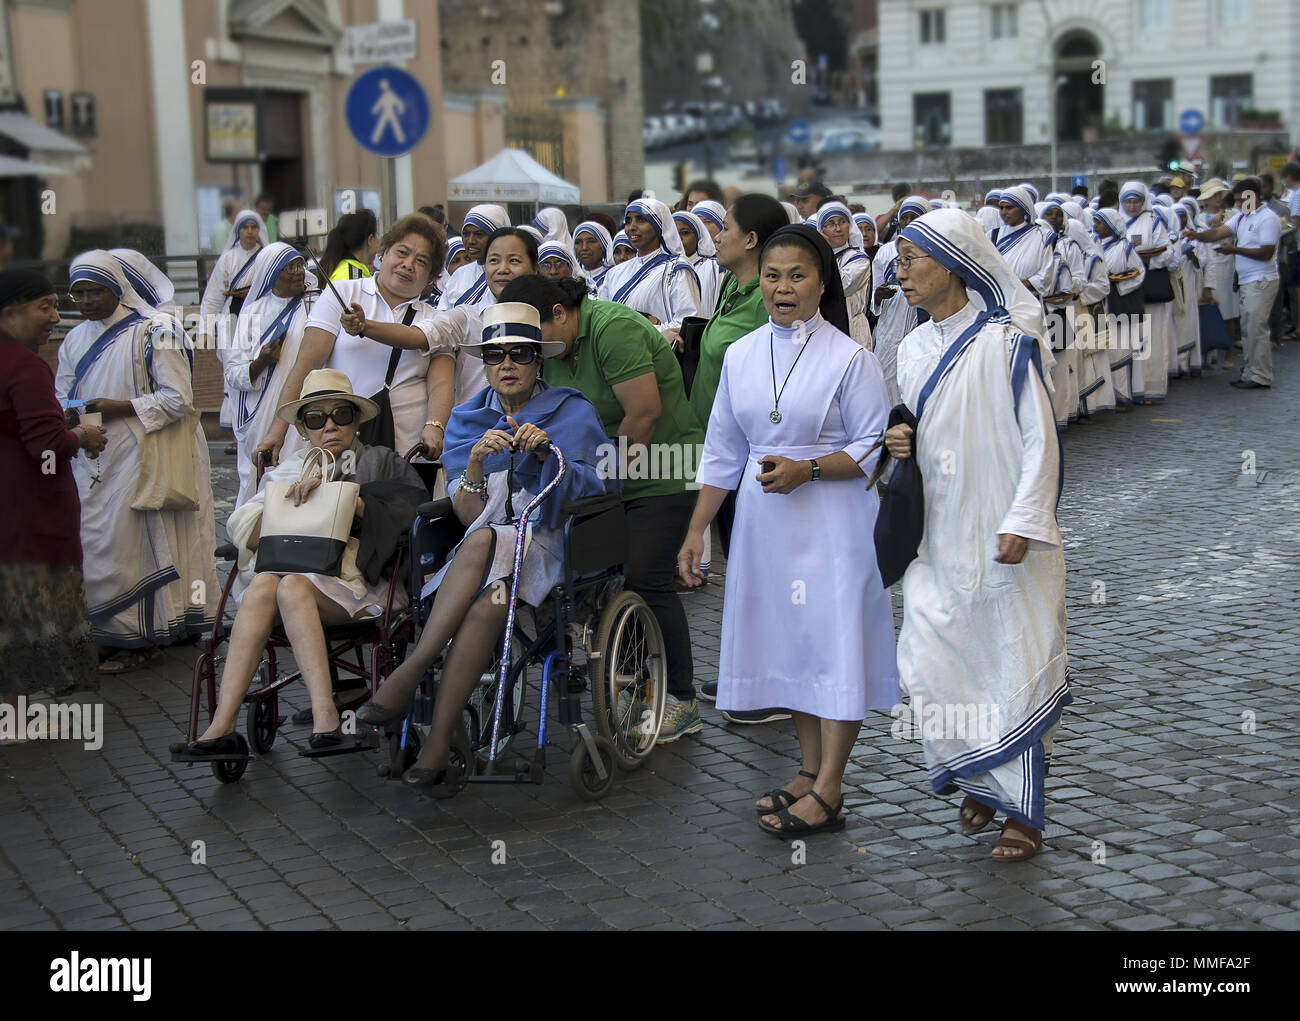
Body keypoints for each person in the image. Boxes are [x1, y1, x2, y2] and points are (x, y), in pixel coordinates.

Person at [677, 223, 896, 835]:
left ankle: (831, 787)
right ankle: (806, 768)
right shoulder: (743, 354)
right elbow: (722, 451)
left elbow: (875, 447)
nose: (782, 287)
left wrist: (810, 468)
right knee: (792, 643)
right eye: (771, 275)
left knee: (833, 643)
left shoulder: (851, 358)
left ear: (821, 282)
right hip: (764, 521)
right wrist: (697, 531)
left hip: (834, 520)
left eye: (797, 275)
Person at [357, 304, 610, 791]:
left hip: (554, 544)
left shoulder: (572, 409)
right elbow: (471, 516)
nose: (506, 364)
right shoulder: (468, 418)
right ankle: (435, 749)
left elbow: (593, 491)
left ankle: (410, 674)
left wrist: (545, 455)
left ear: (539, 362)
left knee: (489, 542)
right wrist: (473, 468)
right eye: (495, 355)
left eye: (519, 354)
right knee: (491, 593)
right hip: (490, 558)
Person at [886, 208, 1069, 862]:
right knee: (932, 661)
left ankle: (1021, 809)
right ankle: (981, 772)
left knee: (1007, 657)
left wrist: (1024, 518)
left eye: (912, 258)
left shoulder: (1008, 341)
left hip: (1000, 528)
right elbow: (914, 425)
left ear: (956, 261)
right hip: (938, 535)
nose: (898, 272)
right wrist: (897, 439)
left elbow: (1039, 437)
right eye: (897, 259)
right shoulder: (910, 348)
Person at [176, 370, 427, 755]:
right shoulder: (288, 470)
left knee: (290, 585)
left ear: (357, 420)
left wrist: (349, 500)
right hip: (287, 589)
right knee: (266, 584)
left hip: (360, 585)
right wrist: (286, 506)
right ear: (303, 428)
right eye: (315, 418)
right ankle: (222, 724)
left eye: (341, 414)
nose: (329, 426)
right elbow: (243, 530)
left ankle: (326, 715)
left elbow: (409, 519)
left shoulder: (381, 462)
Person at [501, 274, 706, 744]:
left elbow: (644, 413)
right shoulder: (553, 349)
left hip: (662, 469)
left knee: (644, 574)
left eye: (536, 337)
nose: (532, 349)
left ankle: (681, 699)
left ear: (559, 313)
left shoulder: (612, 328)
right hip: (601, 476)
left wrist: (602, 486)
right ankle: (636, 681)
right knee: (599, 579)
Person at [55, 251, 219, 668]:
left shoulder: (156, 331)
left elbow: (178, 398)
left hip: (144, 453)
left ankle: (139, 640)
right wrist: (77, 415)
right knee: (97, 541)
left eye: (97, 290)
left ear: (119, 288)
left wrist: (120, 406)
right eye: (79, 293)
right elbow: (62, 395)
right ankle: (109, 632)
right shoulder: (75, 339)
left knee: (137, 544)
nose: (88, 301)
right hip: (92, 455)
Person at [681, 195, 788, 666]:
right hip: (720, 447)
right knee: (741, 562)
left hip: (753, 453)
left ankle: (777, 678)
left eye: (724, 227)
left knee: (764, 567)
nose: (716, 236)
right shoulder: (730, 286)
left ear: (750, 240)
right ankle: (757, 673)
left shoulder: (769, 304)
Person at [255, 214, 453, 465]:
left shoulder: (436, 319)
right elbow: (305, 365)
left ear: (432, 276)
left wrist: (434, 426)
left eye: (421, 261)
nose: (408, 264)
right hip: (342, 449)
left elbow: (441, 382)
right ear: (383, 253)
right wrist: (277, 432)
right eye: (402, 252)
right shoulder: (343, 294)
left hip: (410, 453)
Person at [1, 270, 107, 723]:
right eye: (43, 307)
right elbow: (45, 444)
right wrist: (82, 433)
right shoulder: (25, 367)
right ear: (8, 315)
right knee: (23, 606)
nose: (53, 317)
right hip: (27, 507)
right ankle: (11, 713)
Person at [226, 243, 315, 507]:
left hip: (303, 405)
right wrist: (262, 361)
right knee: (261, 481)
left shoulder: (314, 304)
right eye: (290, 267)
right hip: (263, 414)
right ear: (272, 273)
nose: (299, 272)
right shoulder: (252, 314)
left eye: (300, 265)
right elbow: (233, 372)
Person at [1189, 177, 1282, 389]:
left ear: (1255, 197)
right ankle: (1251, 371)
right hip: (1248, 281)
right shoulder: (1241, 217)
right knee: (1248, 328)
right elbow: (1217, 233)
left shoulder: (1268, 219)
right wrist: (1196, 235)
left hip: (1262, 280)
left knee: (1256, 328)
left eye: (1243, 200)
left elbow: (1267, 252)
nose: (1239, 204)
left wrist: (1235, 250)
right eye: (1238, 200)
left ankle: (1261, 375)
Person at [598, 197, 701, 334]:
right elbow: (600, 318)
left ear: (658, 225)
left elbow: (687, 323)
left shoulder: (677, 270)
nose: (632, 227)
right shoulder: (614, 273)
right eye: (628, 221)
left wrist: (637, 328)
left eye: (641, 220)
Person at [1117, 181, 1176, 403]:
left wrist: (1144, 259)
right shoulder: (1117, 221)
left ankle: (1152, 388)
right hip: (1126, 288)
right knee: (1130, 339)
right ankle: (1131, 387)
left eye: (1136, 201)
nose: (1132, 206)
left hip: (1149, 285)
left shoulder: (1153, 222)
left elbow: (1168, 254)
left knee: (1152, 339)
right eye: (1128, 201)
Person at [870, 195, 930, 405]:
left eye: (915, 217)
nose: (908, 222)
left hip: (920, 315)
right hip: (891, 321)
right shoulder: (886, 251)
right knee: (885, 377)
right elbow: (874, 294)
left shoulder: (933, 249)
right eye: (905, 217)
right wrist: (878, 297)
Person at [1092, 207, 1146, 405]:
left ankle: (1124, 395)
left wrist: (1117, 282)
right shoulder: (1094, 244)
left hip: (1118, 303)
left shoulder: (1125, 248)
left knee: (1121, 349)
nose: (1095, 226)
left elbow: (1138, 273)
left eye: (1099, 223)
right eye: (1095, 222)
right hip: (1101, 303)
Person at [814, 200, 873, 348]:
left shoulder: (858, 258)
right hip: (825, 327)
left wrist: (823, 251)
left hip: (853, 329)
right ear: (821, 229)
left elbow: (841, 285)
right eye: (831, 224)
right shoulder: (814, 259)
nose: (838, 228)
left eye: (842, 222)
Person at [438, 205, 512, 310]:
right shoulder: (459, 275)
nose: (471, 241)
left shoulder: (510, 274)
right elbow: (442, 317)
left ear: (498, 237)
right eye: (466, 234)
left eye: (479, 234)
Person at [672, 208, 723, 318]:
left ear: (698, 237)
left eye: (685, 233)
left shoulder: (714, 267)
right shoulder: (664, 270)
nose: (678, 239)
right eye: (673, 234)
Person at [319, 210, 379, 282]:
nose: (379, 240)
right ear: (370, 239)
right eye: (377, 234)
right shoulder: (353, 278)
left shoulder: (346, 270)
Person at [572, 220, 614, 294]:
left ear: (603, 245)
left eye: (591, 241)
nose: (584, 247)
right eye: (578, 242)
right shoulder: (572, 278)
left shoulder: (614, 276)